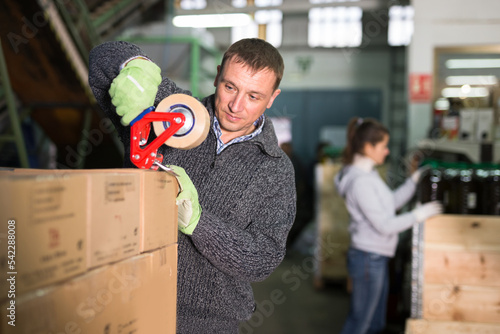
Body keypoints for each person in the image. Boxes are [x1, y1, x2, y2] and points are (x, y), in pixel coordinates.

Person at [88, 38, 296, 333]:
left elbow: (263, 258)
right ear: (216, 75)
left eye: (254, 96)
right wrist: (135, 67)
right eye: (230, 87)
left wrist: (199, 224)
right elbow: (102, 59)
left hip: (210, 323)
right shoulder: (173, 111)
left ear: (272, 98)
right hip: (131, 304)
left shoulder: (275, 169)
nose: (236, 106)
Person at [334, 117, 442, 334]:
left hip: (375, 256)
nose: (387, 151)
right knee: (360, 322)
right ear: (367, 147)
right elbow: (384, 224)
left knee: (375, 323)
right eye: (383, 146)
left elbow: (389, 204)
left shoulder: (368, 174)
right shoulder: (360, 182)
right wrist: (417, 215)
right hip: (367, 258)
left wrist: (413, 181)